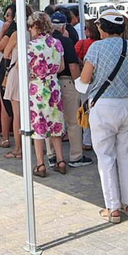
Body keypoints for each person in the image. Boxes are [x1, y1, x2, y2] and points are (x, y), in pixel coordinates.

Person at [79, 8, 128, 222]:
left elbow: (85, 78)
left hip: (105, 106)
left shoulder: (96, 47)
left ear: (102, 28)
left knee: (106, 157)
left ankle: (113, 207)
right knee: (127, 155)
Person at [25, 11, 69, 176]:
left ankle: (40, 164)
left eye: (30, 26)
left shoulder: (31, 46)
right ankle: (60, 160)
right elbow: (61, 66)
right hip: (53, 86)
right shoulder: (57, 43)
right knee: (55, 124)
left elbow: (25, 68)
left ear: (36, 26)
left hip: (37, 87)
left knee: (38, 125)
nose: (29, 29)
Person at [50, 11, 91, 167]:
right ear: (63, 27)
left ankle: (52, 155)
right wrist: (78, 84)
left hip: (49, 83)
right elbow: (73, 66)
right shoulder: (66, 41)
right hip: (67, 82)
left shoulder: (45, 41)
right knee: (73, 121)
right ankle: (75, 156)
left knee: (51, 120)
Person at [0, 16, 20, 154]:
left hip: (11, 70)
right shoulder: (32, 35)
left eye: (10, 15)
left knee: (10, 108)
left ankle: (13, 144)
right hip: (27, 73)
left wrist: (2, 31)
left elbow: (0, 48)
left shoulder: (14, 34)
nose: (6, 18)